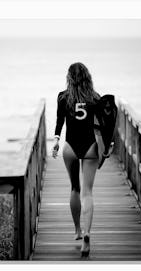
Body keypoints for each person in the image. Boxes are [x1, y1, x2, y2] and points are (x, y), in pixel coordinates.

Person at [52, 62, 100, 257]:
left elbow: (59, 122)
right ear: (87, 77)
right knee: (87, 192)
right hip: (90, 146)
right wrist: (107, 147)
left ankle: (77, 231)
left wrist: (56, 141)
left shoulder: (63, 97)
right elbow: (101, 126)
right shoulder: (95, 99)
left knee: (74, 188)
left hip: (70, 147)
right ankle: (88, 234)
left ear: (69, 78)